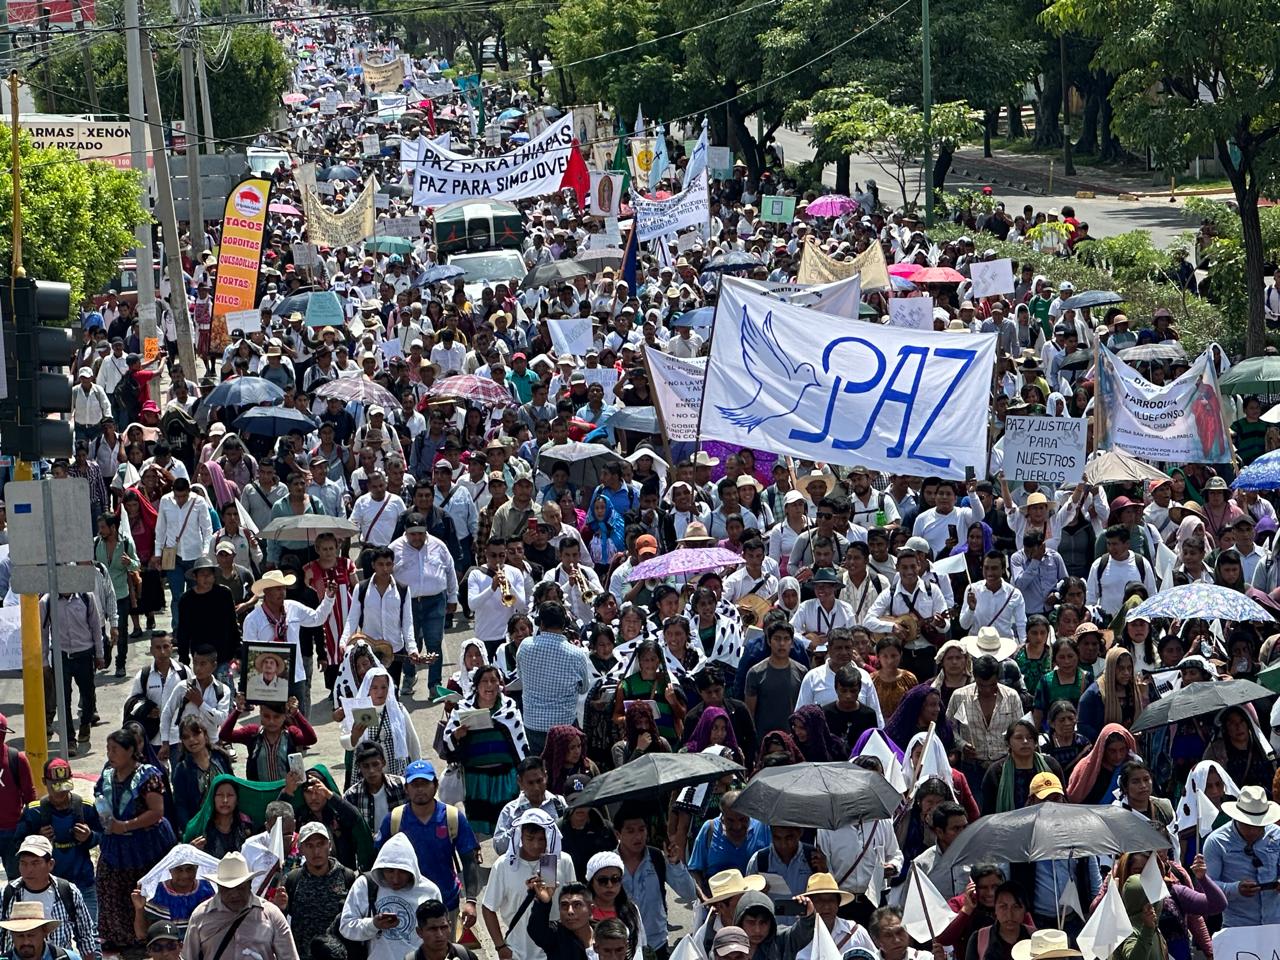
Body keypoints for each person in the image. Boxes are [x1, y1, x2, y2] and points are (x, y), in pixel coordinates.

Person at [93, 727, 174, 951]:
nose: (110, 754)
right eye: (108, 750)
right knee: (110, 890)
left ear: (130, 750)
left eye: (115, 749)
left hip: (145, 846)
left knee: (143, 893)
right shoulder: (107, 776)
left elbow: (157, 812)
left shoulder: (148, 776)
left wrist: (126, 826)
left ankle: (147, 942)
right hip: (114, 846)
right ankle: (118, 942)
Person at [375, 760, 481, 931]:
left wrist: (471, 901)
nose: (420, 789)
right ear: (406, 788)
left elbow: (469, 860)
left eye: (425, 783)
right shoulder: (394, 819)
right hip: (405, 902)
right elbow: (379, 862)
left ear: (436, 785)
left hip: (445, 902)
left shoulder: (452, 817)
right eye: (414, 784)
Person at [480, 809, 576, 960]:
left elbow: (572, 903)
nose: (536, 845)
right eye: (530, 839)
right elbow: (488, 907)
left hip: (556, 952)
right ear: (520, 836)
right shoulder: (504, 865)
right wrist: (500, 947)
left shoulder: (560, 862)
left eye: (542, 839)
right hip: (517, 953)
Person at [14, 760, 102, 918]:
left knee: (91, 933)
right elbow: (18, 846)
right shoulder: (34, 812)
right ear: (44, 782)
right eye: (55, 785)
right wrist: (38, 840)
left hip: (83, 883)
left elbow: (104, 837)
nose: (61, 791)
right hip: (47, 886)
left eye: (65, 784)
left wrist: (90, 837)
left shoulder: (85, 807)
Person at [181, 854, 298, 960]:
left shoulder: (271, 914)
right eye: (228, 889)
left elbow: (289, 957)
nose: (234, 894)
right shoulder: (200, 916)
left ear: (250, 884)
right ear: (218, 886)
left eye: (240, 888)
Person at [0, 836, 98, 960]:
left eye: (35, 863)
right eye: (23, 863)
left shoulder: (68, 891)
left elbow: (85, 936)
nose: (28, 870)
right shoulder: (7, 893)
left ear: (50, 864)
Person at [516, 602, 592, 754]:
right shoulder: (577, 654)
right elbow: (584, 688)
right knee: (565, 770)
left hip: (533, 724)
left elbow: (521, 677)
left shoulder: (525, 646)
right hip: (564, 726)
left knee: (540, 772)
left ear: (541, 624)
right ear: (564, 624)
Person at [277, 822, 358, 960]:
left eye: (321, 844)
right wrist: (280, 908)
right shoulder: (292, 880)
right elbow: (280, 922)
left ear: (330, 845)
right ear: (300, 849)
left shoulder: (347, 877)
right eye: (309, 846)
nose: (316, 851)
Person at [1204, 784, 1280, 926]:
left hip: (1275, 924)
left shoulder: (1277, 835)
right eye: (1247, 825)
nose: (1253, 831)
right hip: (1238, 926)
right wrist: (1235, 889)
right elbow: (1208, 887)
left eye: (1259, 826)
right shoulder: (1216, 842)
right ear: (1237, 818)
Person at [0, 717, 36, 881]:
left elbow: (30, 796)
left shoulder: (16, 758)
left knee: (17, 882)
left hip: (13, 833)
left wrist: (29, 827)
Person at [525, 878, 593, 960]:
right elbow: (536, 929)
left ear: (591, 909)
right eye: (564, 905)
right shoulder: (556, 936)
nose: (570, 911)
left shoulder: (604, 932)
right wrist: (543, 902)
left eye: (577, 905)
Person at [0, 902, 83, 960]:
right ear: (12, 935)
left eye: (31, 935)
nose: (26, 942)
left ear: (44, 933)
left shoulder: (68, 958)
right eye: (20, 936)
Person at [408, 900, 480, 960]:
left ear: (450, 926)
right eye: (433, 929)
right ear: (419, 932)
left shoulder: (465, 956)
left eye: (443, 927)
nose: (440, 934)